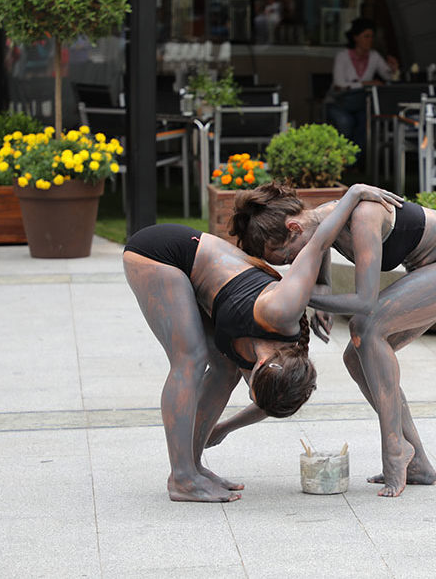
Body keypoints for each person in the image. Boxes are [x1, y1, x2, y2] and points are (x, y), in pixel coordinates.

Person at [207, 184, 436, 498]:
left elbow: (365, 301)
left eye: (288, 257)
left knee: (366, 329)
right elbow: (320, 259)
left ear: (293, 228)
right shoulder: (325, 223)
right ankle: (418, 464)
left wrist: (298, 298)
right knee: (355, 358)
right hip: (432, 266)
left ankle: (395, 450)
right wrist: (321, 291)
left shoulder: (362, 215)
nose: (293, 266)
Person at [123, 183, 401, 503]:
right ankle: (183, 477)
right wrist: (353, 195)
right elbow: (317, 243)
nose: (250, 391)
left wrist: (225, 427)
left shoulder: (279, 366)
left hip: (201, 281)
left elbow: (271, 401)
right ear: (262, 366)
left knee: (225, 370)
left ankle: (193, 466)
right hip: (162, 253)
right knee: (190, 360)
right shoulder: (282, 309)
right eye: (253, 388)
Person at [326, 17, 399, 156]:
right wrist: (365, 84)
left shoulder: (374, 56)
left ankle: (354, 160)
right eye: (366, 36)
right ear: (355, 38)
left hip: (361, 104)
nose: (370, 40)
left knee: (367, 124)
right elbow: (339, 84)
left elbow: (388, 77)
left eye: (371, 36)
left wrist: (393, 69)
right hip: (339, 103)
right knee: (345, 123)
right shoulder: (342, 56)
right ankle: (342, 159)